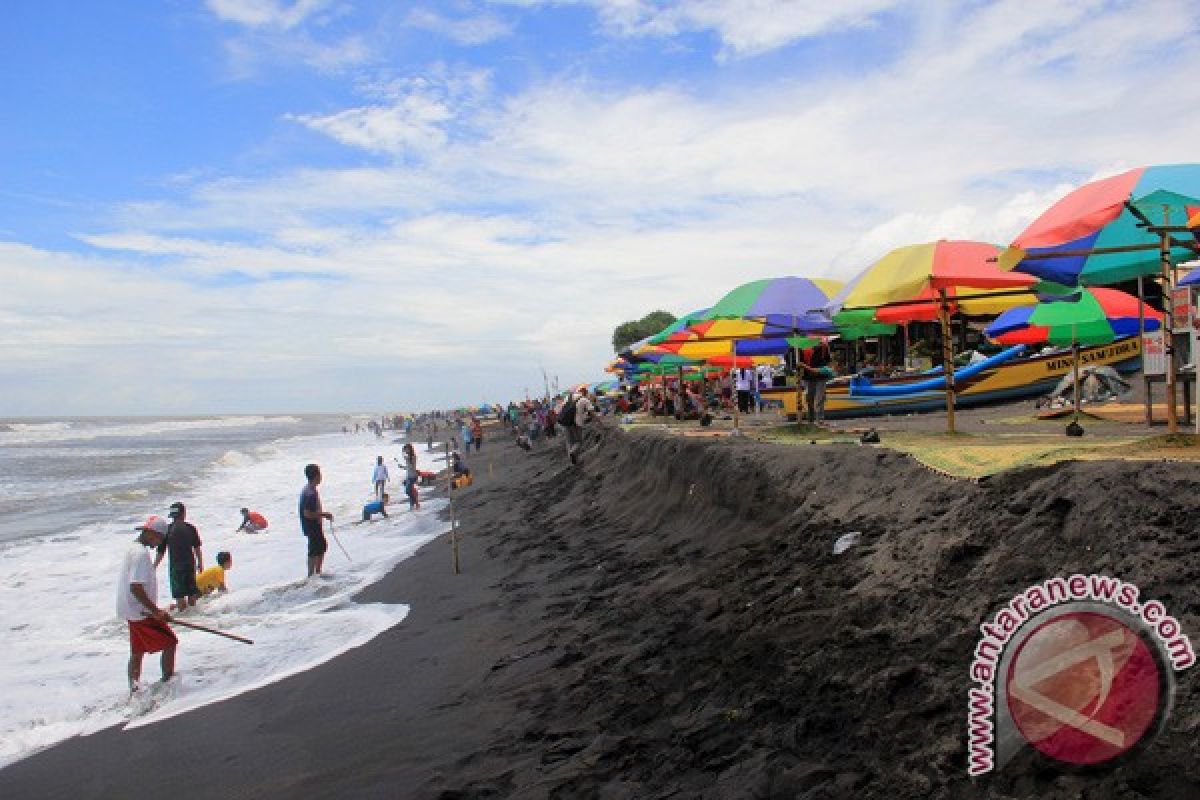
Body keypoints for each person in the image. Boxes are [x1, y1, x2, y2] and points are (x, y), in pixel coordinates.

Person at [119, 515, 176, 693]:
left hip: (131, 611)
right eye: (159, 539)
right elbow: (135, 587)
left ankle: (134, 690)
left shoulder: (132, 548)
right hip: (142, 612)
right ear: (152, 533)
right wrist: (156, 611)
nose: (158, 544)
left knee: (137, 652)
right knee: (170, 642)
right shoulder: (141, 554)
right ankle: (168, 684)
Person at [153, 502, 203, 611]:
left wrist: (153, 567)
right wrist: (200, 563)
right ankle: (195, 616)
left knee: (179, 597)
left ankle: (184, 616)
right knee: (191, 595)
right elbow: (197, 548)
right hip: (190, 565)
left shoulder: (167, 530)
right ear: (184, 514)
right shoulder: (191, 528)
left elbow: (161, 552)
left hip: (176, 568)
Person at [299, 463, 333, 577]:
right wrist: (324, 514)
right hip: (311, 525)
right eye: (320, 473)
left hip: (312, 525)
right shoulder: (310, 493)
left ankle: (316, 572)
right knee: (315, 550)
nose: (321, 476)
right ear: (317, 475)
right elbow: (307, 513)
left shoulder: (309, 489)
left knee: (321, 546)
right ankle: (312, 574)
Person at [800, 339, 835, 426]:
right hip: (808, 377)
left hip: (820, 376)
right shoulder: (802, 346)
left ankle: (819, 419)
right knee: (810, 399)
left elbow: (828, 361)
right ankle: (811, 420)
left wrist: (828, 370)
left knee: (819, 399)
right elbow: (799, 362)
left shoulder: (824, 347)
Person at [401, 442, 421, 511]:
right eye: (405, 450)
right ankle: (412, 506)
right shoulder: (408, 457)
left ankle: (416, 503)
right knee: (410, 491)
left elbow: (413, 466)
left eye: (407, 449)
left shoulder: (413, 457)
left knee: (408, 491)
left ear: (410, 449)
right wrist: (403, 467)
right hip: (409, 476)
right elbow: (408, 467)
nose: (406, 451)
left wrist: (407, 460)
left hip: (413, 476)